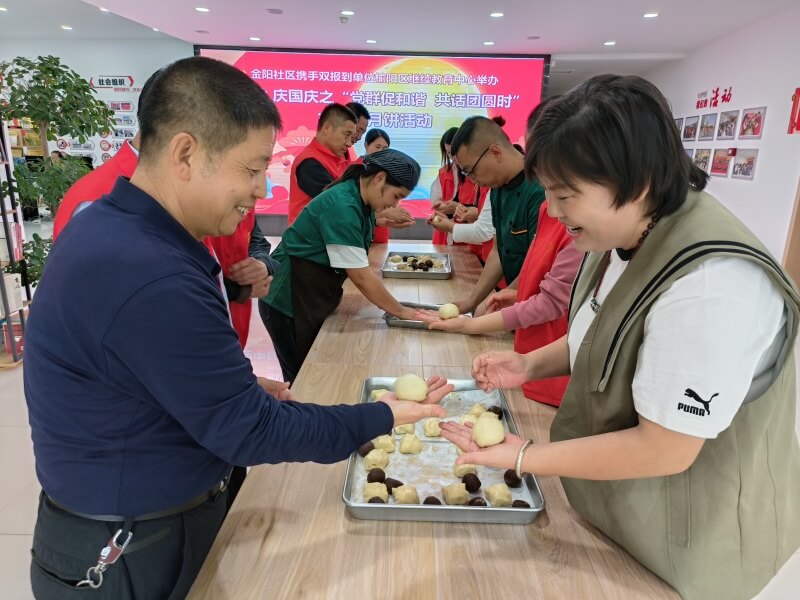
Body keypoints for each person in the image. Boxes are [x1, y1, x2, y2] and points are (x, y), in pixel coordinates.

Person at [24, 56, 449, 600]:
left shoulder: (119, 229)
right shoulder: (147, 270)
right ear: (185, 154)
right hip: (128, 547)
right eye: (251, 170)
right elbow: (249, 430)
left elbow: (141, 374)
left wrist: (230, 386)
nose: (261, 189)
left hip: (132, 520)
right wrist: (382, 415)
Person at [441, 74, 800, 600]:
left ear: (640, 181)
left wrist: (522, 457)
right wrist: (529, 365)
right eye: (549, 193)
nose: (555, 212)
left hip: (688, 536)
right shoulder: (624, 231)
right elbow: (605, 330)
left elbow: (666, 450)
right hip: (621, 513)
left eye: (567, 196)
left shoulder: (710, 287)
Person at [261, 149, 423, 382]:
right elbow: (361, 276)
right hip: (288, 299)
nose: (394, 203)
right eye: (396, 196)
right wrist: (401, 311)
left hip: (310, 294)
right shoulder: (343, 205)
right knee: (303, 381)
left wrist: (377, 220)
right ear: (379, 178)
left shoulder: (358, 198)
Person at [420, 200, 581, 406]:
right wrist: (519, 293)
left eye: (562, 194)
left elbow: (551, 303)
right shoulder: (548, 210)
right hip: (533, 359)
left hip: (557, 371)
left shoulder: (582, 234)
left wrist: (470, 325)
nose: (553, 208)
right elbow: (553, 282)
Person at [435, 116, 546, 314]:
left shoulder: (541, 190)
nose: (474, 180)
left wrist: (497, 302)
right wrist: (471, 302)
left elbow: (539, 264)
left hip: (538, 307)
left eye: (471, 171)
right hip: (514, 302)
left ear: (494, 152)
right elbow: (498, 252)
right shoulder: (497, 189)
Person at [287, 103, 355, 224]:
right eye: (346, 134)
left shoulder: (342, 157)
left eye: (352, 137)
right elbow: (336, 203)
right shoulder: (309, 163)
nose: (349, 143)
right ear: (326, 128)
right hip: (307, 240)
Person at [429, 127, 487, 248]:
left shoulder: (480, 175)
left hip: (471, 240)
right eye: (449, 153)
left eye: (455, 152)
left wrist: (459, 208)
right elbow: (436, 198)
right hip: (446, 237)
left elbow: (484, 212)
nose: (453, 157)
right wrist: (442, 207)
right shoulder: (444, 172)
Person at [356, 128, 413, 244]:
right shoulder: (355, 169)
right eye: (377, 147)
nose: (381, 152)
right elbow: (355, 208)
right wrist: (386, 213)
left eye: (385, 149)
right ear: (366, 145)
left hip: (381, 232)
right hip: (359, 232)